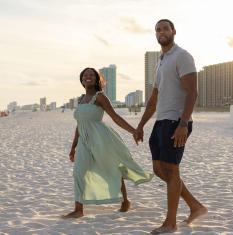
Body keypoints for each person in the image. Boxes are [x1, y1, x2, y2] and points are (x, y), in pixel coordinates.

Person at [134, 19, 208, 234]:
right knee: (159, 170)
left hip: (176, 121)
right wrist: (140, 125)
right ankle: (195, 206)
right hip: (160, 122)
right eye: (158, 29)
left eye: (165, 28)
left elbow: (192, 92)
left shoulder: (182, 56)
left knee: (172, 170)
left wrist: (184, 123)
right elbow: (153, 99)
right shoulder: (160, 61)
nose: (161, 32)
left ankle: (171, 223)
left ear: (173, 31)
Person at [62, 67, 153, 219]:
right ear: (82, 80)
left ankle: (125, 201)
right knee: (79, 172)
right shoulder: (81, 100)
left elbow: (115, 117)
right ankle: (78, 209)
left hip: (100, 139)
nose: (88, 77)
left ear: (97, 79)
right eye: (85, 75)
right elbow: (80, 125)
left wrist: (134, 131)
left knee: (111, 169)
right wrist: (73, 147)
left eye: (91, 75)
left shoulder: (100, 97)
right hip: (84, 141)